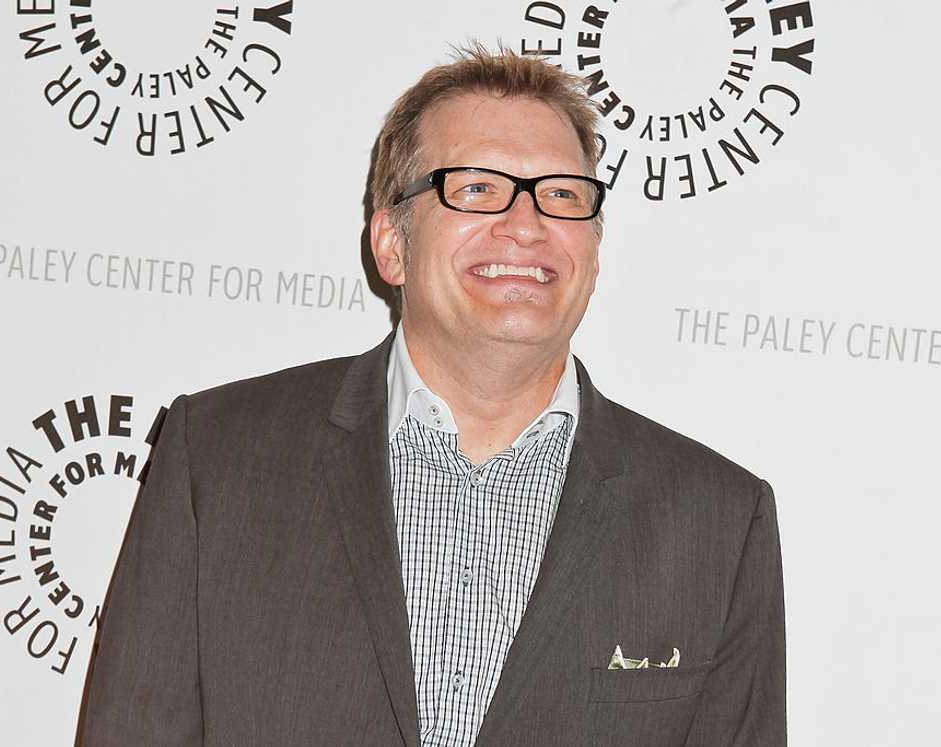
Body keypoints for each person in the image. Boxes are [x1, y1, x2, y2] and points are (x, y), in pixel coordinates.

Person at [76, 45, 786, 746]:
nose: (526, 223)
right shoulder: (218, 459)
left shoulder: (717, 520)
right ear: (391, 244)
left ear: (593, 254)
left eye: (562, 195)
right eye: (476, 188)